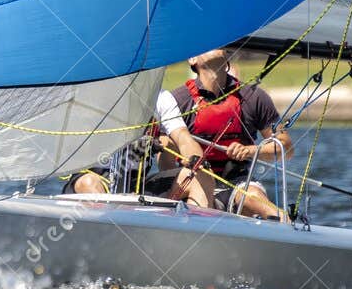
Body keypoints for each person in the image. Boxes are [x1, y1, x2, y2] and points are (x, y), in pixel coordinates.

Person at [68, 51, 291, 219]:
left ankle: (284, 227)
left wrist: (249, 151)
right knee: (89, 183)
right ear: (192, 60)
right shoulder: (180, 99)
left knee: (245, 194)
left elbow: (184, 139)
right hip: (97, 178)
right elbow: (166, 163)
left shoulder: (253, 97)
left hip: (236, 182)